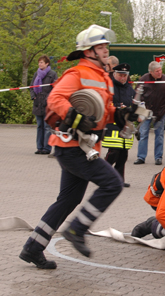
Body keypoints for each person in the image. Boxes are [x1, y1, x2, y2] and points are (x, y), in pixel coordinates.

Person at [19, 25, 128, 269]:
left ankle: (33, 248)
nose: (106, 50)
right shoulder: (76, 73)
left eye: (105, 46)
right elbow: (55, 98)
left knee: (68, 200)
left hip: (82, 146)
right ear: (89, 51)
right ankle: (77, 230)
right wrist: (75, 117)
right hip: (72, 147)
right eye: (101, 47)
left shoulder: (103, 77)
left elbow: (100, 113)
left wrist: (120, 115)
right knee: (112, 183)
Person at [102, 63, 136, 187]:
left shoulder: (129, 88)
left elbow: (133, 103)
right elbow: (105, 103)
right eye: (121, 75)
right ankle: (104, 177)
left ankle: (119, 180)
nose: (123, 78)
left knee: (123, 155)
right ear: (115, 74)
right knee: (113, 153)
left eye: (125, 75)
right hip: (113, 123)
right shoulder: (109, 86)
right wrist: (117, 107)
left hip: (126, 124)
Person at [134, 61, 165, 165]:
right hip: (145, 111)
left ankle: (158, 157)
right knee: (143, 134)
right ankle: (141, 157)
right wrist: (140, 111)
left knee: (159, 135)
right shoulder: (143, 79)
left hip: (160, 111)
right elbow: (137, 95)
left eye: (160, 70)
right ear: (150, 72)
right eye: (157, 71)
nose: (160, 73)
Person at [30, 55, 58, 155]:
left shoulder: (52, 74)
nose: (40, 64)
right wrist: (33, 97)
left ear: (47, 63)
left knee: (47, 127)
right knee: (39, 126)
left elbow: (55, 88)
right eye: (39, 62)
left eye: (41, 62)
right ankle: (39, 147)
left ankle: (47, 148)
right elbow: (31, 86)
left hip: (48, 104)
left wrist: (49, 99)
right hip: (38, 104)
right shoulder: (36, 74)